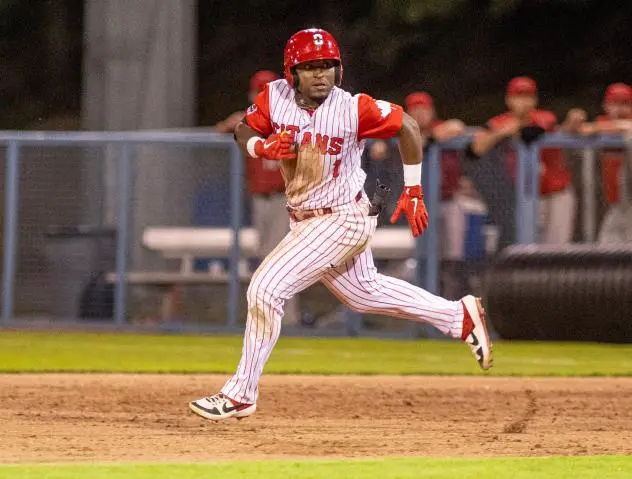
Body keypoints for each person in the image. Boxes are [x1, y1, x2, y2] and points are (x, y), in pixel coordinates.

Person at [189, 28, 493, 422]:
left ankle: (241, 393)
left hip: (343, 217)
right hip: (305, 221)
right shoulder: (274, 97)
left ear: (339, 69)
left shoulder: (353, 108)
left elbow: (409, 127)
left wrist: (414, 189)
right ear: (291, 72)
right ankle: (458, 316)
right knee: (364, 294)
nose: (321, 75)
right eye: (310, 67)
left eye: (328, 66)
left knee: (265, 289)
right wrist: (260, 146)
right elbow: (244, 129)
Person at [215, 70, 299, 324]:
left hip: (283, 200)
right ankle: (270, 315)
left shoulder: (288, 117)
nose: (262, 96)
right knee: (267, 257)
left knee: (279, 260)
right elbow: (221, 130)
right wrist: (233, 125)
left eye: (266, 91)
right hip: (260, 200)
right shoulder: (250, 121)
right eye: (258, 92)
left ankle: (286, 319)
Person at [471, 76, 585, 244]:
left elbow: (534, 131)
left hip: (557, 193)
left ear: (535, 100)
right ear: (508, 100)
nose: (523, 102)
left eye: (528, 97)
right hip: (526, 195)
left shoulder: (545, 117)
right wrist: (502, 133)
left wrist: (513, 128)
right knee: (529, 246)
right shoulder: (501, 122)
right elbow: (476, 148)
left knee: (558, 248)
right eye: (518, 96)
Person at [580, 83, 632, 242]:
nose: (620, 109)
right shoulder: (602, 123)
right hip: (615, 203)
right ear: (606, 105)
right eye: (615, 103)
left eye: (625, 104)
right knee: (608, 246)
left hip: (628, 200)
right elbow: (584, 129)